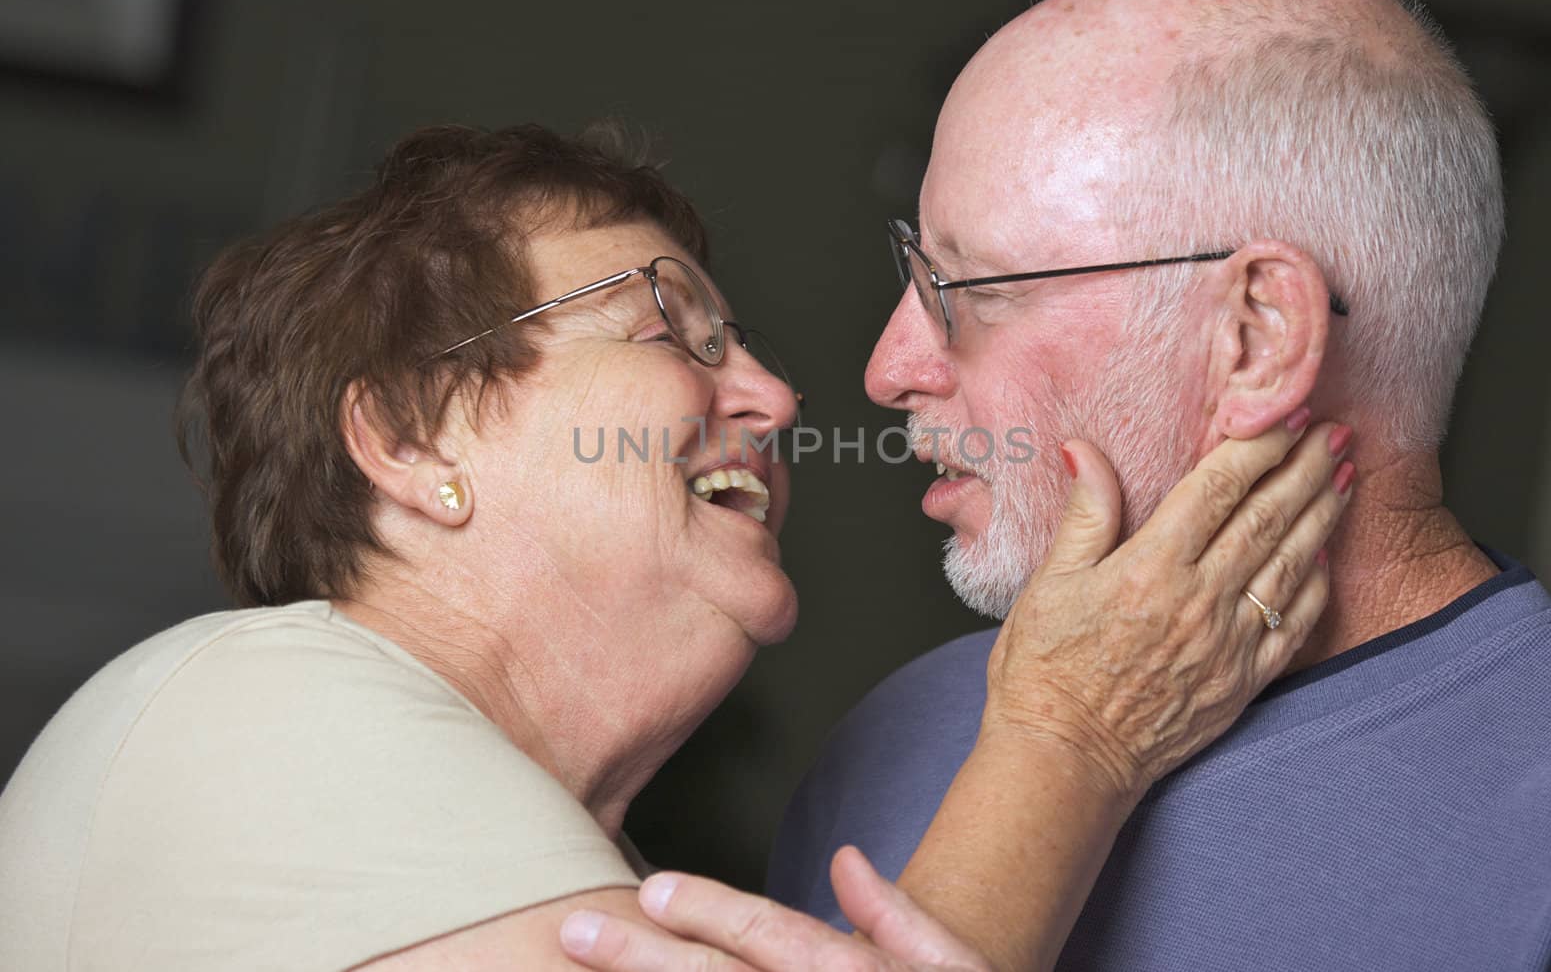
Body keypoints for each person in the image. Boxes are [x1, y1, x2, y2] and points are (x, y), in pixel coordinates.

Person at [0, 122, 1350, 971]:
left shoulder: (563, 875)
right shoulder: (254, 705)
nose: (775, 393)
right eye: (677, 329)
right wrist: (1069, 734)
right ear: (414, 437)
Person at [759, 0, 1551, 972]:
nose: (888, 368)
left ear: (1254, 335)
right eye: (910, 268)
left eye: (967, 290)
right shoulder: (899, 740)